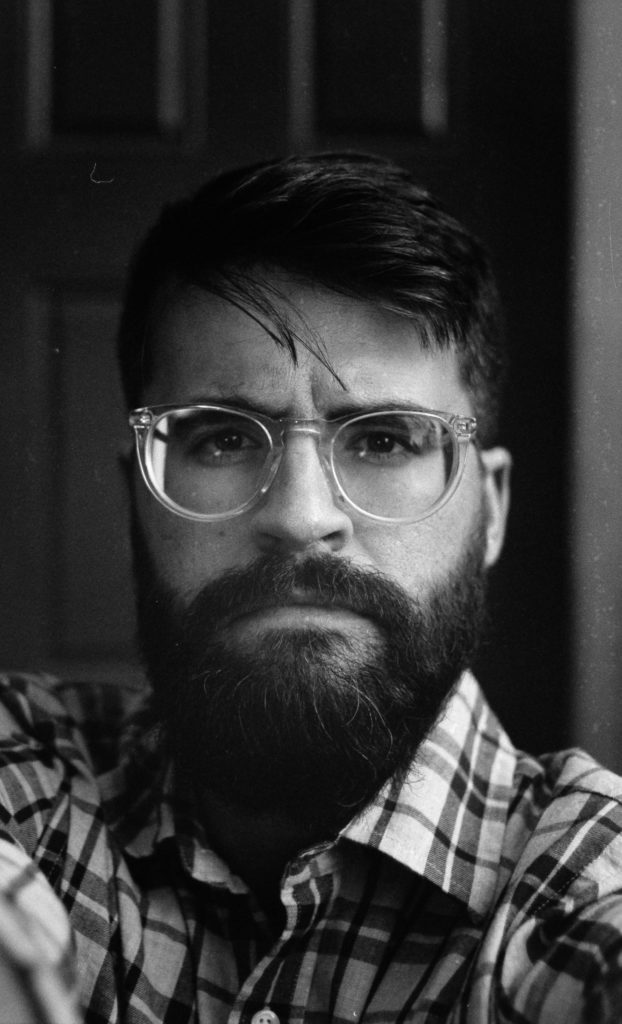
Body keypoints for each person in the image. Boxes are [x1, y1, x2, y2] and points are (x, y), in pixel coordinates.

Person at [1, 152, 622, 1024]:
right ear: (136, 497)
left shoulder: (588, 887)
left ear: (492, 509)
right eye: (219, 440)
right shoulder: (28, 781)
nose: (300, 516)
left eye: (385, 441)